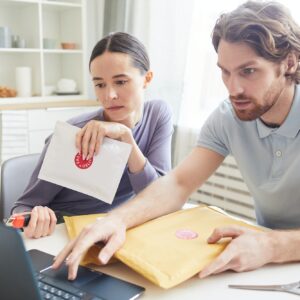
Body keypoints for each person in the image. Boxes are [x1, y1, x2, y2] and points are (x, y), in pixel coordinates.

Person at [53, 1, 300, 281]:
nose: (233, 89)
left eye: (248, 71)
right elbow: (178, 184)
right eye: (225, 71)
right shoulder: (229, 116)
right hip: (271, 265)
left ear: (289, 62)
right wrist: (114, 221)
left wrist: (272, 245)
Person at [11, 32, 173, 239]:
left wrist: (126, 138)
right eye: (100, 84)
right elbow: (22, 207)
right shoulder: (74, 134)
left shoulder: (158, 114)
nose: (109, 95)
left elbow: (159, 197)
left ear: (147, 79)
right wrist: (35, 217)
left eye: (121, 82)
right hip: (66, 233)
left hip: (119, 228)